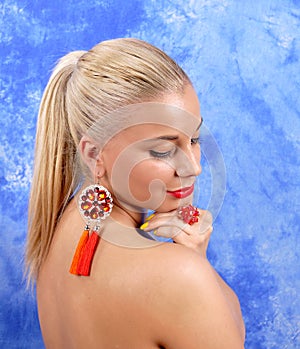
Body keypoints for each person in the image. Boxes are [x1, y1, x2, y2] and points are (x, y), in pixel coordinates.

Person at [26, 38, 245, 348]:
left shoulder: (55, 235)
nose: (194, 167)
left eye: (194, 140)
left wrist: (196, 257)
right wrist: (195, 262)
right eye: (162, 150)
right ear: (93, 154)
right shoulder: (178, 276)